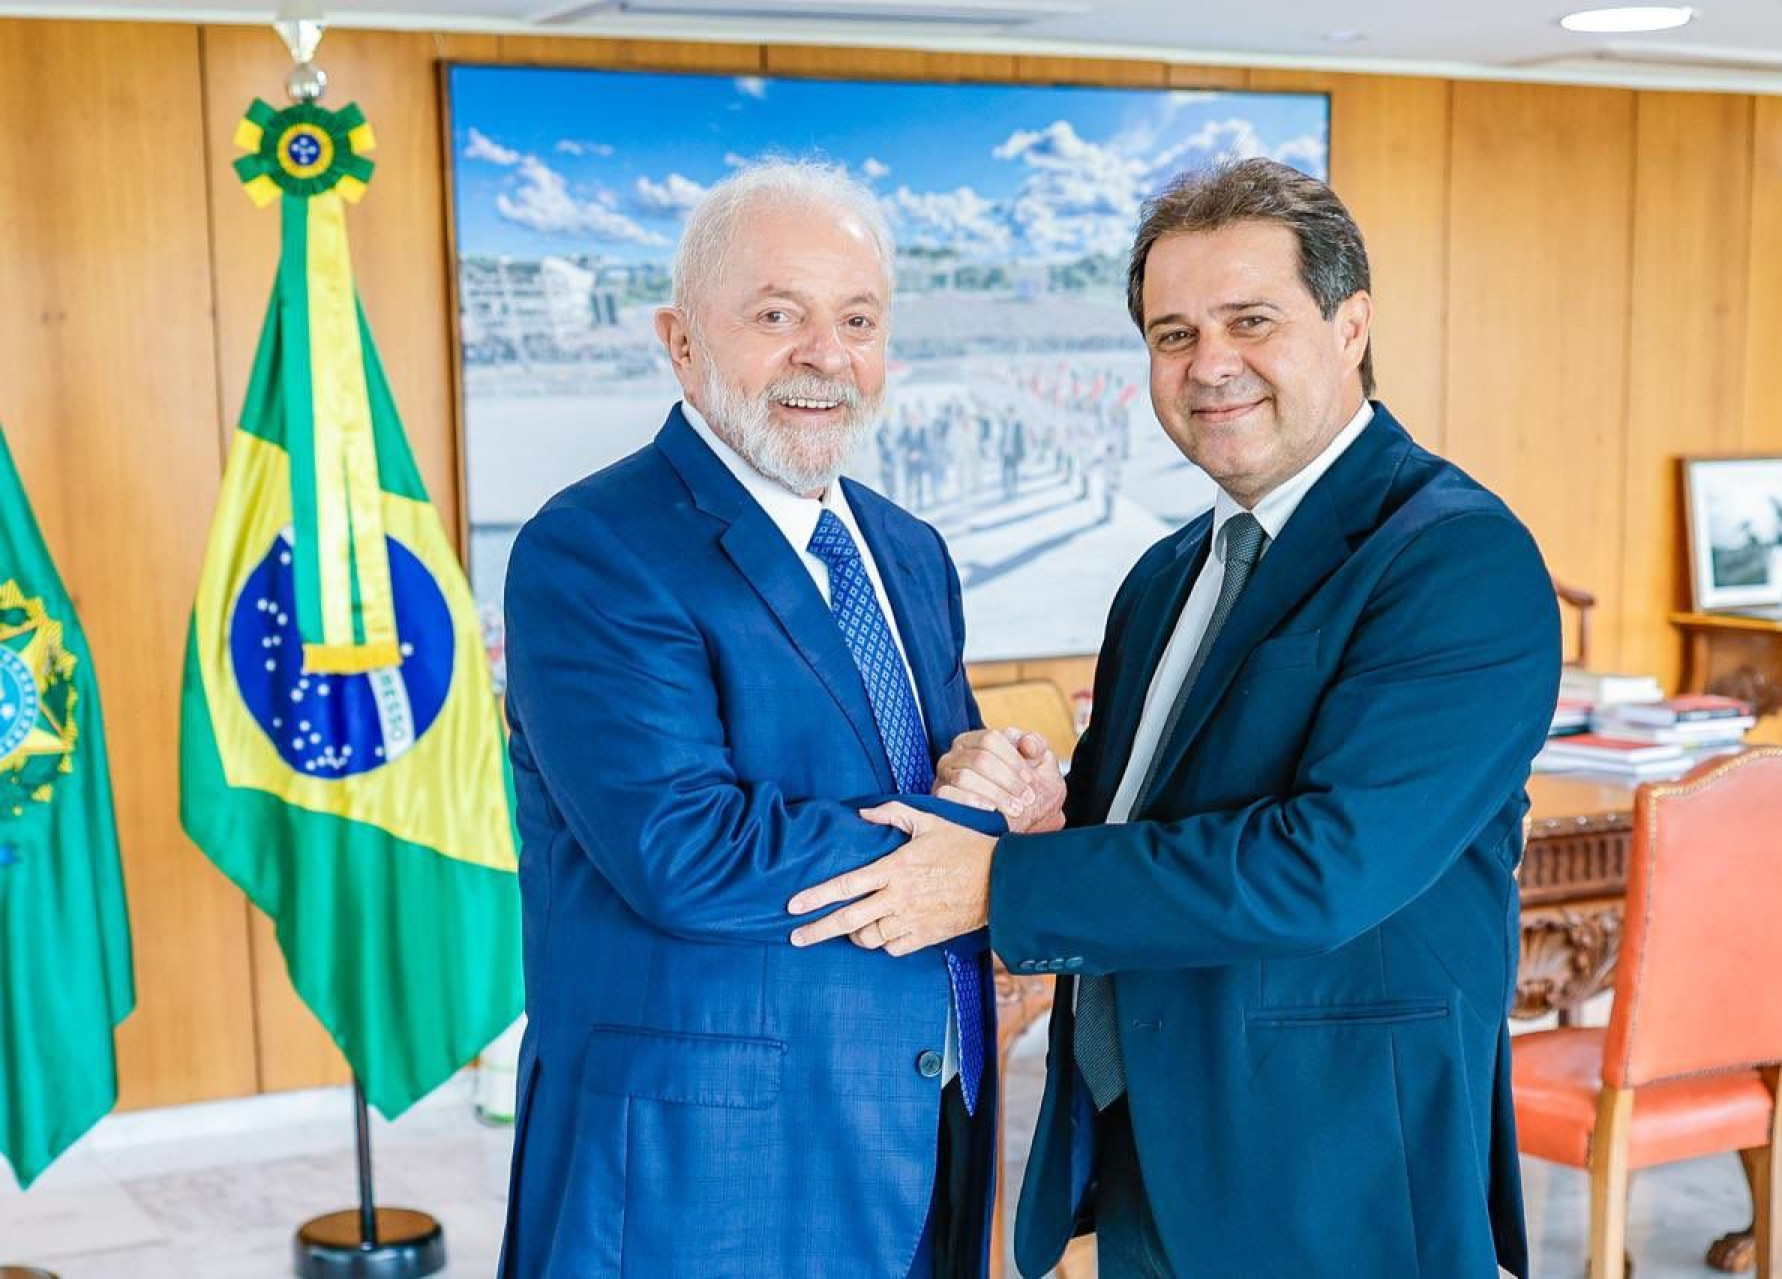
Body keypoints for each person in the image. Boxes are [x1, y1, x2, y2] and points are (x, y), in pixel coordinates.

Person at [789, 158, 1560, 1278]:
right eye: (1171, 333)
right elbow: (1129, 828)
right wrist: (1026, 806)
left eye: (1250, 321)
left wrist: (995, 884)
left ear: (1351, 326)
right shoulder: (1165, 575)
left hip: (1331, 1185)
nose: (1210, 365)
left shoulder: (1456, 557)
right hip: (1141, 1143)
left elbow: (1325, 869)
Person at [497, 159, 1064, 1278]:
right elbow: (684, 851)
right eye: (777, 314)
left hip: (929, 1124)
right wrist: (960, 831)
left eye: (857, 319)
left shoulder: (906, 550)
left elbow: (940, 791)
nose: (825, 353)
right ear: (681, 340)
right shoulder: (594, 550)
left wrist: (1014, 792)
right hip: (709, 1168)